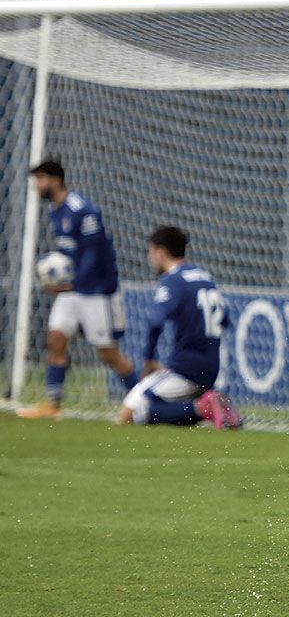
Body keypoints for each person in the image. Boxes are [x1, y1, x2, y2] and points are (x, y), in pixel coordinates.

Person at [18, 161, 137, 420]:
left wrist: (71, 284)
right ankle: (53, 403)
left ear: (55, 180)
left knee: (108, 353)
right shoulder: (55, 211)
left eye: (40, 180)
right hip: (73, 291)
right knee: (56, 339)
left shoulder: (82, 210)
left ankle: (141, 403)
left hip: (96, 291)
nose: (37, 186)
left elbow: (95, 253)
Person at [116, 226, 242, 430]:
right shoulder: (205, 278)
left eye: (151, 252)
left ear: (161, 252)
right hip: (210, 370)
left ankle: (203, 408)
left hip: (184, 369)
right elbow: (225, 320)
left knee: (128, 414)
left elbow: (156, 321)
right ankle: (207, 405)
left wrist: (148, 360)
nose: (151, 259)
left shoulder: (172, 280)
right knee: (167, 406)